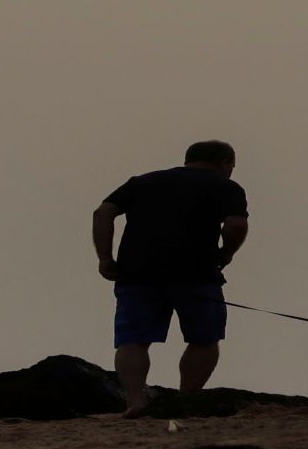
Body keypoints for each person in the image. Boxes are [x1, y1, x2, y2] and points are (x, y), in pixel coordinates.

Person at [92, 139, 249, 417]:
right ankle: (187, 397)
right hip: (196, 274)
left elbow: (103, 212)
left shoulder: (142, 182)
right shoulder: (225, 186)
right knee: (204, 338)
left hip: (137, 273)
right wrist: (226, 253)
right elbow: (236, 224)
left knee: (133, 340)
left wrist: (105, 257)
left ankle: (136, 400)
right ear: (224, 163)